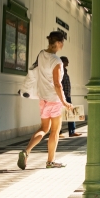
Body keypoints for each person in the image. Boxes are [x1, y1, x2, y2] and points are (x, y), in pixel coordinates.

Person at [18, 31, 72, 170]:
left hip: (43, 99)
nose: (63, 44)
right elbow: (57, 84)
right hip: (54, 100)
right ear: (59, 43)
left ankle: (26, 151)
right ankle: (50, 161)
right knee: (55, 131)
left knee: (43, 128)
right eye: (62, 42)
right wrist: (65, 102)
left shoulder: (41, 54)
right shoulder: (57, 62)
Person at [59, 56, 79, 137]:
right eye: (67, 61)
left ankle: (72, 131)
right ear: (62, 62)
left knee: (70, 113)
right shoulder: (60, 71)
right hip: (62, 96)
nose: (68, 63)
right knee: (59, 114)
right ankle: (59, 132)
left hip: (67, 96)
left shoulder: (65, 71)